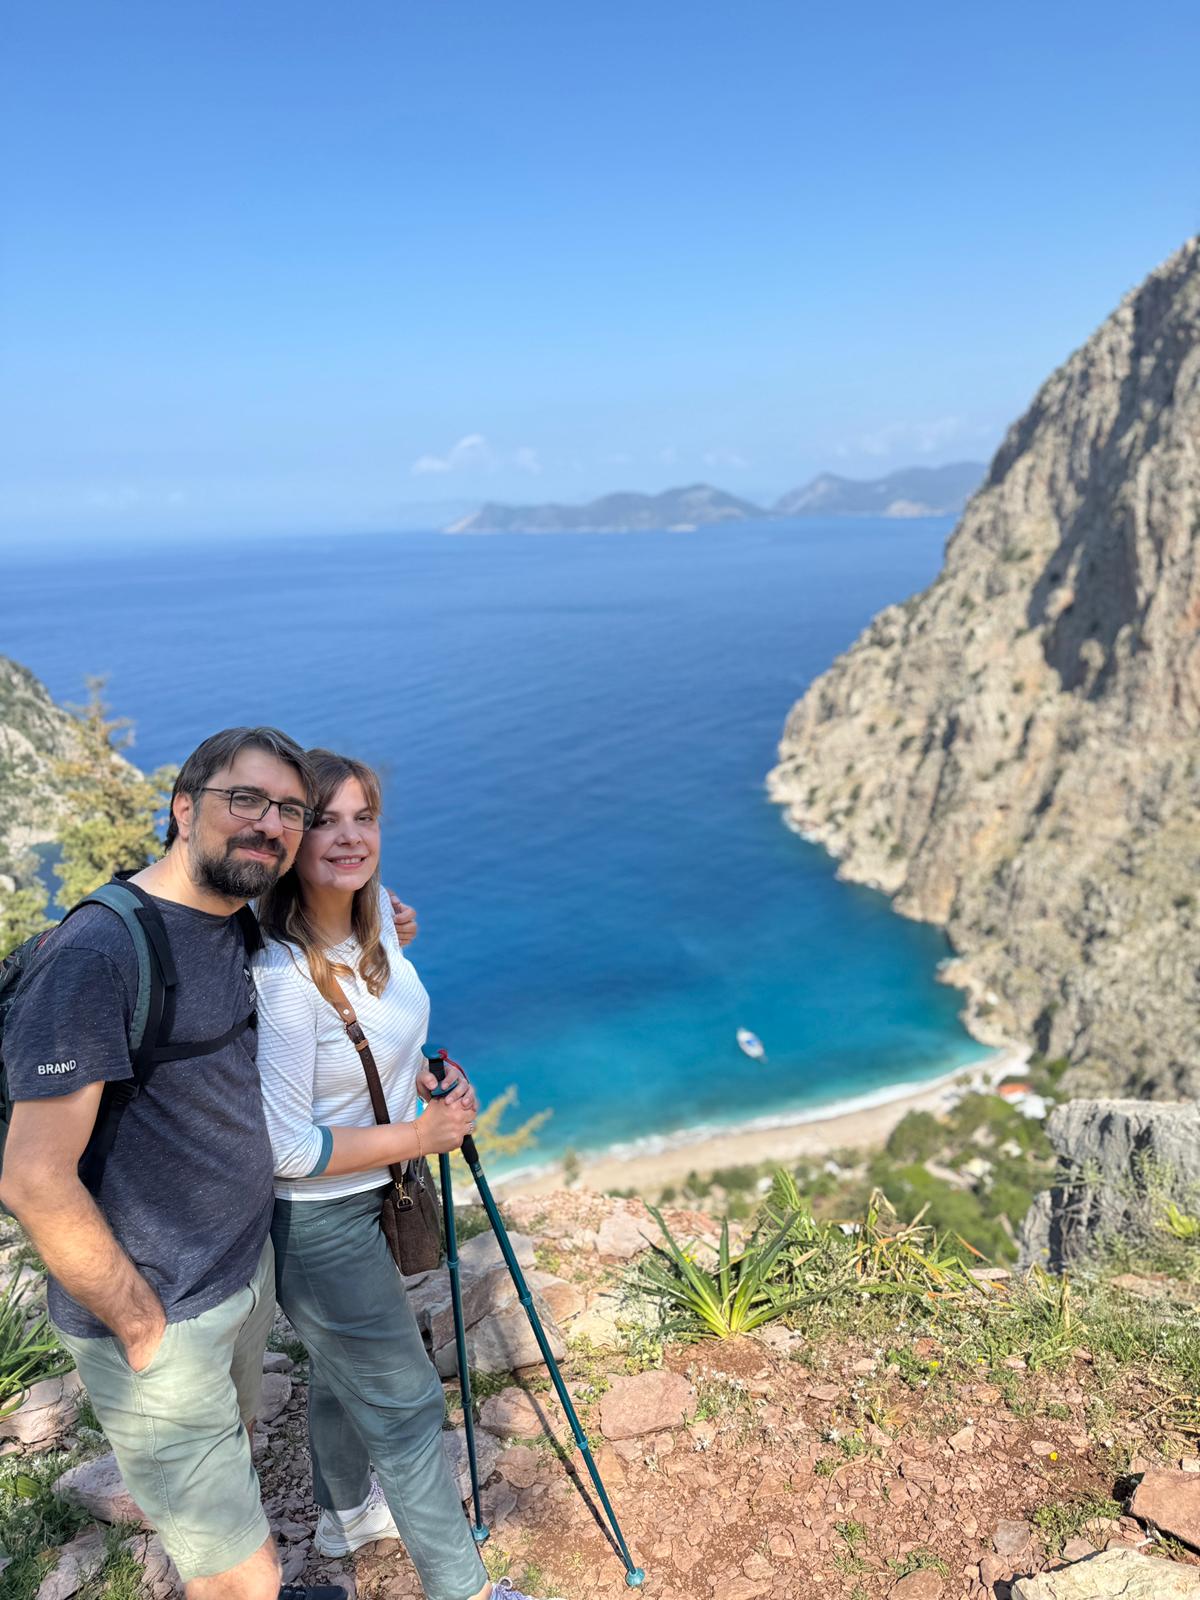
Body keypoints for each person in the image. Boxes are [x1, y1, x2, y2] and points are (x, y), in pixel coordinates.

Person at [0, 727, 351, 1600]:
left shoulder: (228, 919)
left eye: (290, 810)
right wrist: (139, 1326)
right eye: (245, 799)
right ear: (184, 808)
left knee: (234, 1465)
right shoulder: (98, 956)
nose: (269, 824)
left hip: (234, 1274)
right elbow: (33, 1178)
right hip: (161, 1313)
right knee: (242, 1577)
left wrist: (382, 918)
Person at [255, 752, 546, 1600]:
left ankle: (346, 1516)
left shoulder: (377, 910)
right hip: (315, 1218)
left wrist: (421, 1075)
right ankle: (466, 1590)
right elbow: (284, 1148)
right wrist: (419, 1133)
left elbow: (378, 1035)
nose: (350, 838)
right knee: (411, 1406)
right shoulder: (281, 975)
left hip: (376, 1191)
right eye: (325, 821)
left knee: (344, 1365)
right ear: (289, 836)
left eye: (365, 818)